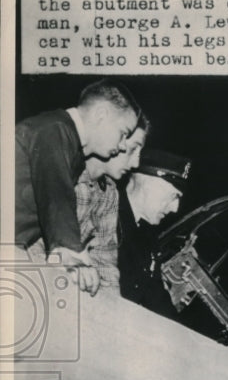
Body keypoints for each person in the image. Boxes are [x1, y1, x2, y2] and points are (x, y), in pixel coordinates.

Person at [15, 80, 140, 294]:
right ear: (102, 114)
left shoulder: (65, 139)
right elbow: (56, 196)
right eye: (123, 133)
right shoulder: (54, 129)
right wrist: (72, 254)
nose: (121, 145)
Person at [74, 115, 150, 295]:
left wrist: (114, 308)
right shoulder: (66, 172)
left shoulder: (109, 193)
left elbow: (105, 261)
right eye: (133, 150)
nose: (136, 163)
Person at [118, 149, 192, 318]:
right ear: (148, 183)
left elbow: (156, 297)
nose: (175, 208)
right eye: (174, 196)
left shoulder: (147, 236)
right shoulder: (106, 213)